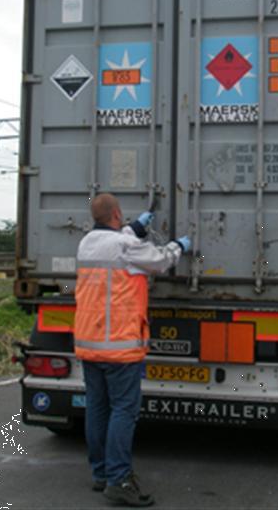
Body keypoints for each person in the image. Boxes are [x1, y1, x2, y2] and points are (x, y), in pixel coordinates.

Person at [74, 193, 191, 507]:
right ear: (116, 214)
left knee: (97, 410)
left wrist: (137, 227)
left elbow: (118, 246)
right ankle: (119, 479)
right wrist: (180, 246)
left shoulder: (86, 244)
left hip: (90, 344)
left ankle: (101, 474)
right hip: (120, 347)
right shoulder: (125, 247)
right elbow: (160, 260)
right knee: (123, 411)